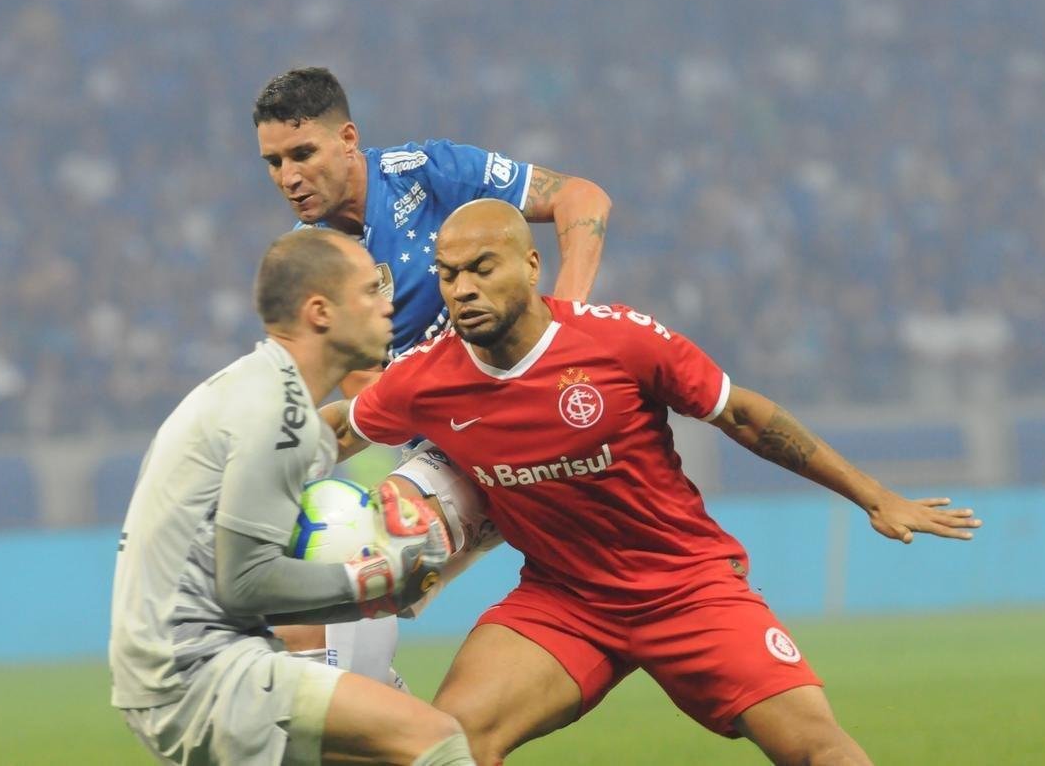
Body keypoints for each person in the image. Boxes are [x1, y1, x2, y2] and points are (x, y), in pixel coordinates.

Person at [325, 199, 983, 765]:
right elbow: (341, 428)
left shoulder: (617, 340)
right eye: (448, 274)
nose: (463, 288)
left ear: (531, 265)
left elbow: (744, 416)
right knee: (446, 745)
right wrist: (259, 441)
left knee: (819, 749)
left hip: (685, 585)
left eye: (482, 268)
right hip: (565, 600)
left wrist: (874, 495)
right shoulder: (427, 376)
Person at [252, 66, 612, 677]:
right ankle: (381, 713)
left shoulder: (428, 173)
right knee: (322, 593)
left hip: (543, 420)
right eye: (273, 162)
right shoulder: (309, 264)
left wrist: (564, 329)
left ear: (347, 139)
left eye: (303, 153)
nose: (289, 177)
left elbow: (583, 199)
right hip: (454, 452)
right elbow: (373, 403)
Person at [108, 227, 474, 766]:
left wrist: (385, 592)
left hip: (177, 667)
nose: (387, 305)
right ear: (321, 312)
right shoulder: (276, 414)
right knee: (435, 741)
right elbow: (245, 584)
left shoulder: (263, 391)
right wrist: (377, 574)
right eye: (369, 291)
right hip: (200, 672)